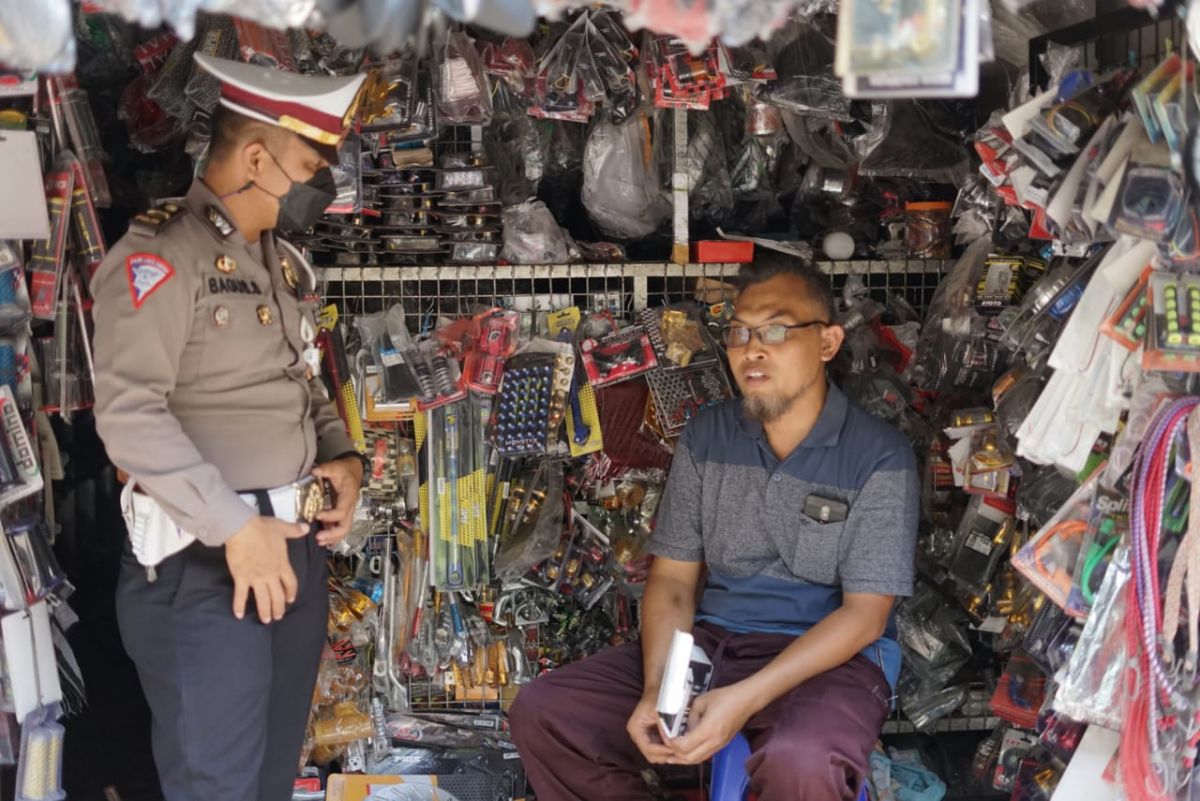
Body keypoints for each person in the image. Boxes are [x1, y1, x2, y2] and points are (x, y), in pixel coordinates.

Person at [510, 254, 919, 801]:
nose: (752, 348)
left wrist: (743, 699)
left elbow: (865, 617)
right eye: (739, 332)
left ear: (827, 342)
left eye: (775, 329)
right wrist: (659, 689)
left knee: (802, 758)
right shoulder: (708, 437)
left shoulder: (879, 456)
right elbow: (675, 581)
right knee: (547, 713)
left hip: (827, 661)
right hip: (713, 644)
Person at [90, 54, 367, 801]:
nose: (322, 184)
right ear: (255, 157)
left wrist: (345, 459)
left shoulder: (276, 262)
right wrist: (233, 526)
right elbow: (128, 416)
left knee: (268, 781)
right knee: (218, 786)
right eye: (312, 162)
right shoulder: (159, 258)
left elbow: (297, 382)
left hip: (289, 555)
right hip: (204, 568)